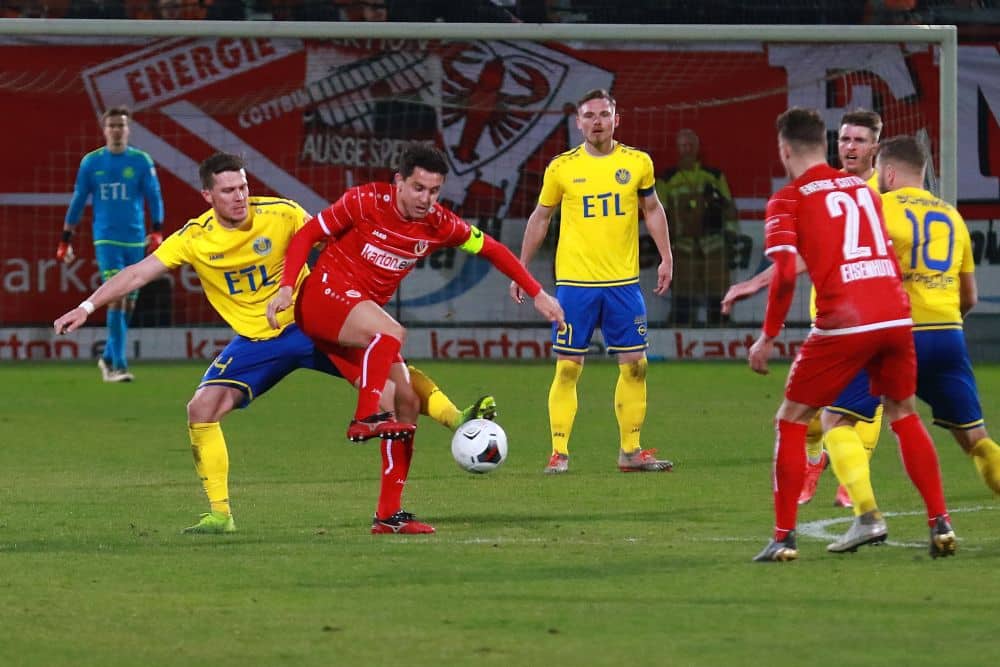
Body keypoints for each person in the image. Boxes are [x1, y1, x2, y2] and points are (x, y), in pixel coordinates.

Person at [54, 152, 497, 536]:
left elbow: (330, 239)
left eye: (243, 186)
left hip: (311, 322)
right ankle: (220, 515)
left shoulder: (282, 213)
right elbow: (136, 274)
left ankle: (450, 428)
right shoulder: (194, 237)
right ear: (207, 195)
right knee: (200, 410)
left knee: (393, 382)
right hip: (258, 341)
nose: (238, 196)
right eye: (227, 190)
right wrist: (88, 307)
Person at [266, 143, 563, 531]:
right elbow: (306, 234)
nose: (426, 199)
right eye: (419, 188)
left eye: (434, 190)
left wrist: (537, 292)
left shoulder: (440, 224)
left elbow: (490, 249)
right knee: (391, 331)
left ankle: (388, 514)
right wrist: (287, 287)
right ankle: (365, 415)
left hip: (357, 321)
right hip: (322, 297)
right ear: (399, 183)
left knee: (406, 400)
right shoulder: (363, 201)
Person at [748, 107, 954, 563]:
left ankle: (784, 537)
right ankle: (940, 522)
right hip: (897, 317)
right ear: (827, 146)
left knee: (791, 418)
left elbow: (784, 275)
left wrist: (767, 336)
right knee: (904, 413)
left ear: (785, 150)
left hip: (846, 321)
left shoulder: (790, 198)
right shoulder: (865, 191)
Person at [723, 109, 885, 510]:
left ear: (875, 148)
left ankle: (854, 479)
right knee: (811, 416)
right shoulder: (830, 189)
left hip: (873, 314)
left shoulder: (884, 191)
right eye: (845, 139)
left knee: (865, 405)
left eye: (859, 140)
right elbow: (805, 256)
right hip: (828, 318)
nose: (850, 147)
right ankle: (815, 461)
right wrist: (757, 283)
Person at [509, 88, 674, 474]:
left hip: (623, 285)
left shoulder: (638, 163)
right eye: (589, 115)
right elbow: (541, 217)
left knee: (636, 367)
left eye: (603, 114)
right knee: (568, 369)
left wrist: (667, 256)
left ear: (617, 119)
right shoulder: (561, 167)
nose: (597, 122)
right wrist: (521, 268)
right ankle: (559, 453)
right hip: (575, 285)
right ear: (578, 121)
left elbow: (652, 208)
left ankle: (630, 452)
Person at [58, 106, 165, 383]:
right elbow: (79, 200)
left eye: (121, 125)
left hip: (135, 237)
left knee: (128, 303)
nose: (117, 129)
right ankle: (117, 365)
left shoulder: (141, 161)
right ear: (104, 130)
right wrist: (65, 238)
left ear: (128, 129)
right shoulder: (91, 163)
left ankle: (106, 357)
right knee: (116, 298)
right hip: (106, 238)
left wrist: (157, 231)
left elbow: (154, 197)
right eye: (112, 125)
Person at [655, 128, 738, 327]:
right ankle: (681, 325)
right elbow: (660, 212)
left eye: (691, 145)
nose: (687, 149)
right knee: (683, 287)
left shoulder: (714, 175)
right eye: (683, 145)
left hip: (713, 241)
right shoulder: (666, 178)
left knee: (717, 285)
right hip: (682, 244)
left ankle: (720, 324)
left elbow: (729, 207)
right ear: (677, 149)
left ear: (698, 148)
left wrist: (728, 232)